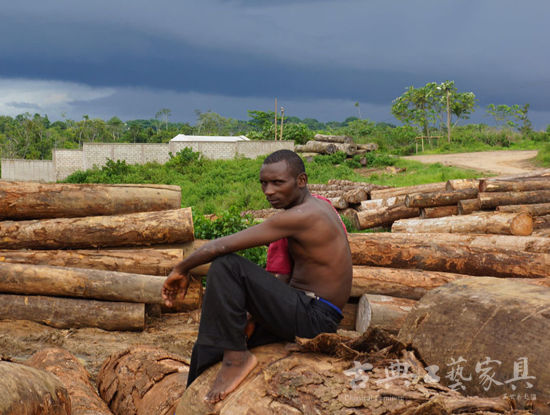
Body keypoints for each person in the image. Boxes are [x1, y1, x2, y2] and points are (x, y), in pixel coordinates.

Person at [162, 149, 353, 404]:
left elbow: (221, 246)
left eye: (277, 183)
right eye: (263, 183)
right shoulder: (311, 206)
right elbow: (284, 278)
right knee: (213, 340)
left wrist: (180, 269)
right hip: (300, 308)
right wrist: (253, 315)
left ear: (301, 181)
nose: (268, 191)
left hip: (315, 317)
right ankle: (191, 400)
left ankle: (236, 360)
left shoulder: (305, 215)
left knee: (227, 265)